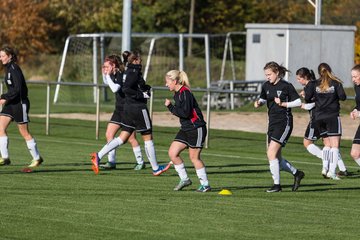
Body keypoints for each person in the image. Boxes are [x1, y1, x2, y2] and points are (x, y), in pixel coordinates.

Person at [91, 51, 170, 176]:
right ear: (135, 60)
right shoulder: (132, 72)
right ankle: (155, 168)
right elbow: (127, 88)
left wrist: (145, 88)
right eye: (140, 59)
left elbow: (133, 86)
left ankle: (98, 155)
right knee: (147, 136)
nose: (141, 62)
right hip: (138, 107)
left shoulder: (128, 71)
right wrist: (142, 95)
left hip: (127, 108)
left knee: (123, 138)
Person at [254, 61, 305, 192]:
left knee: (271, 153)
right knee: (276, 157)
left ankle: (277, 185)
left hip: (284, 122)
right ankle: (297, 173)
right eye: (266, 75)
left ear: (276, 73)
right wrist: (259, 102)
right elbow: (264, 98)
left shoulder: (286, 86)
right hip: (272, 123)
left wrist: (283, 104)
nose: (267, 77)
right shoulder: (266, 86)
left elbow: (298, 102)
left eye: (269, 74)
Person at [296, 67, 348, 178]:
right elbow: (342, 97)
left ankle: (330, 166)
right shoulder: (322, 83)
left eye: (299, 78)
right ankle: (336, 169)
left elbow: (314, 102)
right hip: (327, 116)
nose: (298, 81)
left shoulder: (313, 85)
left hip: (317, 118)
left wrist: (302, 104)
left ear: (305, 77)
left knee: (313, 143)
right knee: (330, 144)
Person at [164, 70, 211, 192]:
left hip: (196, 128)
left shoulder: (185, 93)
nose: (166, 84)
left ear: (174, 81)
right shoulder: (177, 93)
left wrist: (170, 107)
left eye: (167, 82)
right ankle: (184, 179)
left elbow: (185, 113)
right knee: (173, 153)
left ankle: (205, 185)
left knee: (194, 158)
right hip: (185, 128)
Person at [99, 53, 145, 170]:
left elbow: (115, 88)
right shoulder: (113, 74)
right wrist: (105, 74)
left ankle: (140, 161)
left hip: (127, 110)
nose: (105, 69)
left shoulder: (120, 74)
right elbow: (107, 83)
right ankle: (111, 162)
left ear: (113, 65)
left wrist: (107, 76)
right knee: (109, 134)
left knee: (131, 138)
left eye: (107, 66)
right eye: (104, 67)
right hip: (118, 110)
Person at [0, 46, 43, 167]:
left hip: (20, 103)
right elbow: (12, 89)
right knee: (0, 127)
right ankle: (5, 158)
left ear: (9, 56)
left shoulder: (14, 69)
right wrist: (5, 97)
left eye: (3, 56)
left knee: (24, 132)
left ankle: (37, 158)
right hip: (11, 103)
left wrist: (5, 98)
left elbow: (18, 89)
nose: (0, 58)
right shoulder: (7, 69)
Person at [350, 64, 360, 170]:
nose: (353, 79)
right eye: (352, 77)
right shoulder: (357, 87)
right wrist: (355, 110)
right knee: (355, 153)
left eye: (355, 77)